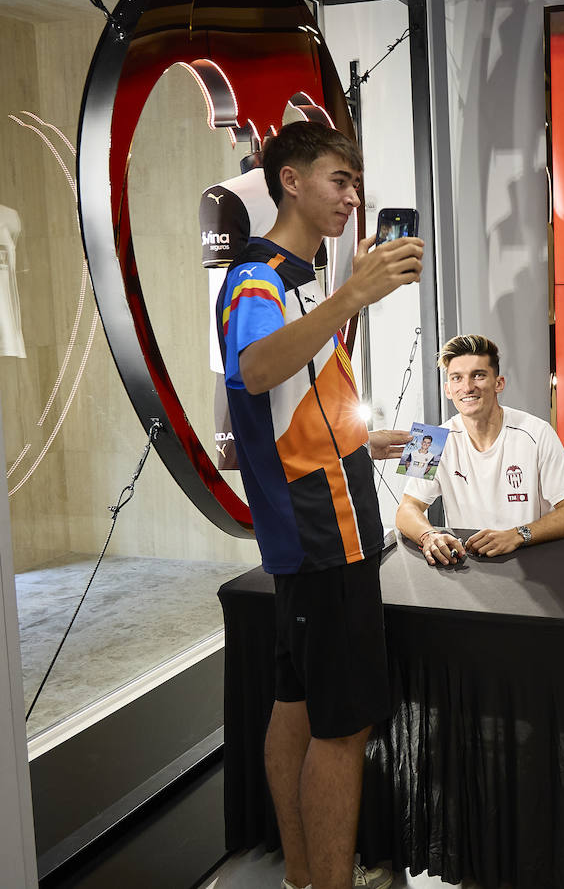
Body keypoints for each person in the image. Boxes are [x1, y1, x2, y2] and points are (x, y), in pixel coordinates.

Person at [218, 121, 423, 889]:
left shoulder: (298, 277)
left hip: (322, 527)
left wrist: (369, 438)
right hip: (320, 534)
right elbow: (259, 366)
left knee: (297, 706)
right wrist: (353, 295)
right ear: (292, 180)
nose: (351, 197)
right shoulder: (259, 276)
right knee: (341, 728)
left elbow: (300, 405)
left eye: (354, 183)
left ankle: (304, 876)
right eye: (338, 179)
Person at [395, 334, 564, 562]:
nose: (467, 387)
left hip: (531, 561)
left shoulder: (538, 432)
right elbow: (406, 509)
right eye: (457, 378)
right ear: (448, 389)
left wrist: (517, 535)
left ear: (499, 383)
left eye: (478, 375)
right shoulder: (431, 438)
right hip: (469, 565)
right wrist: (429, 536)